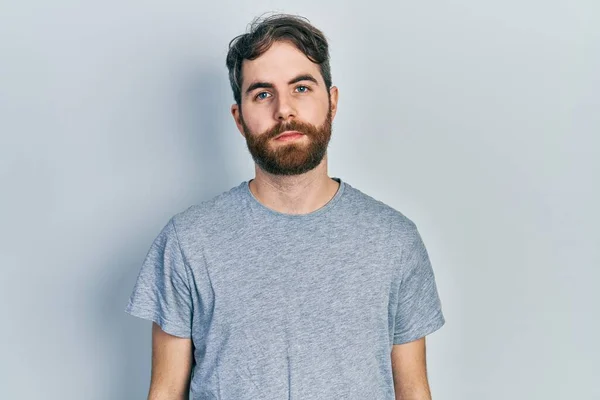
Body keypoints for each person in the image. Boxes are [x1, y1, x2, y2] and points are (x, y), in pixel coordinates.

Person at [125, 13, 445, 400]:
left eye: (302, 88)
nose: (284, 110)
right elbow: (164, 392)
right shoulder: (187, 242)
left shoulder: (394, 241)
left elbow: (413, 391)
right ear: (239, 119)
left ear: (333, 102)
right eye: (262, 93)